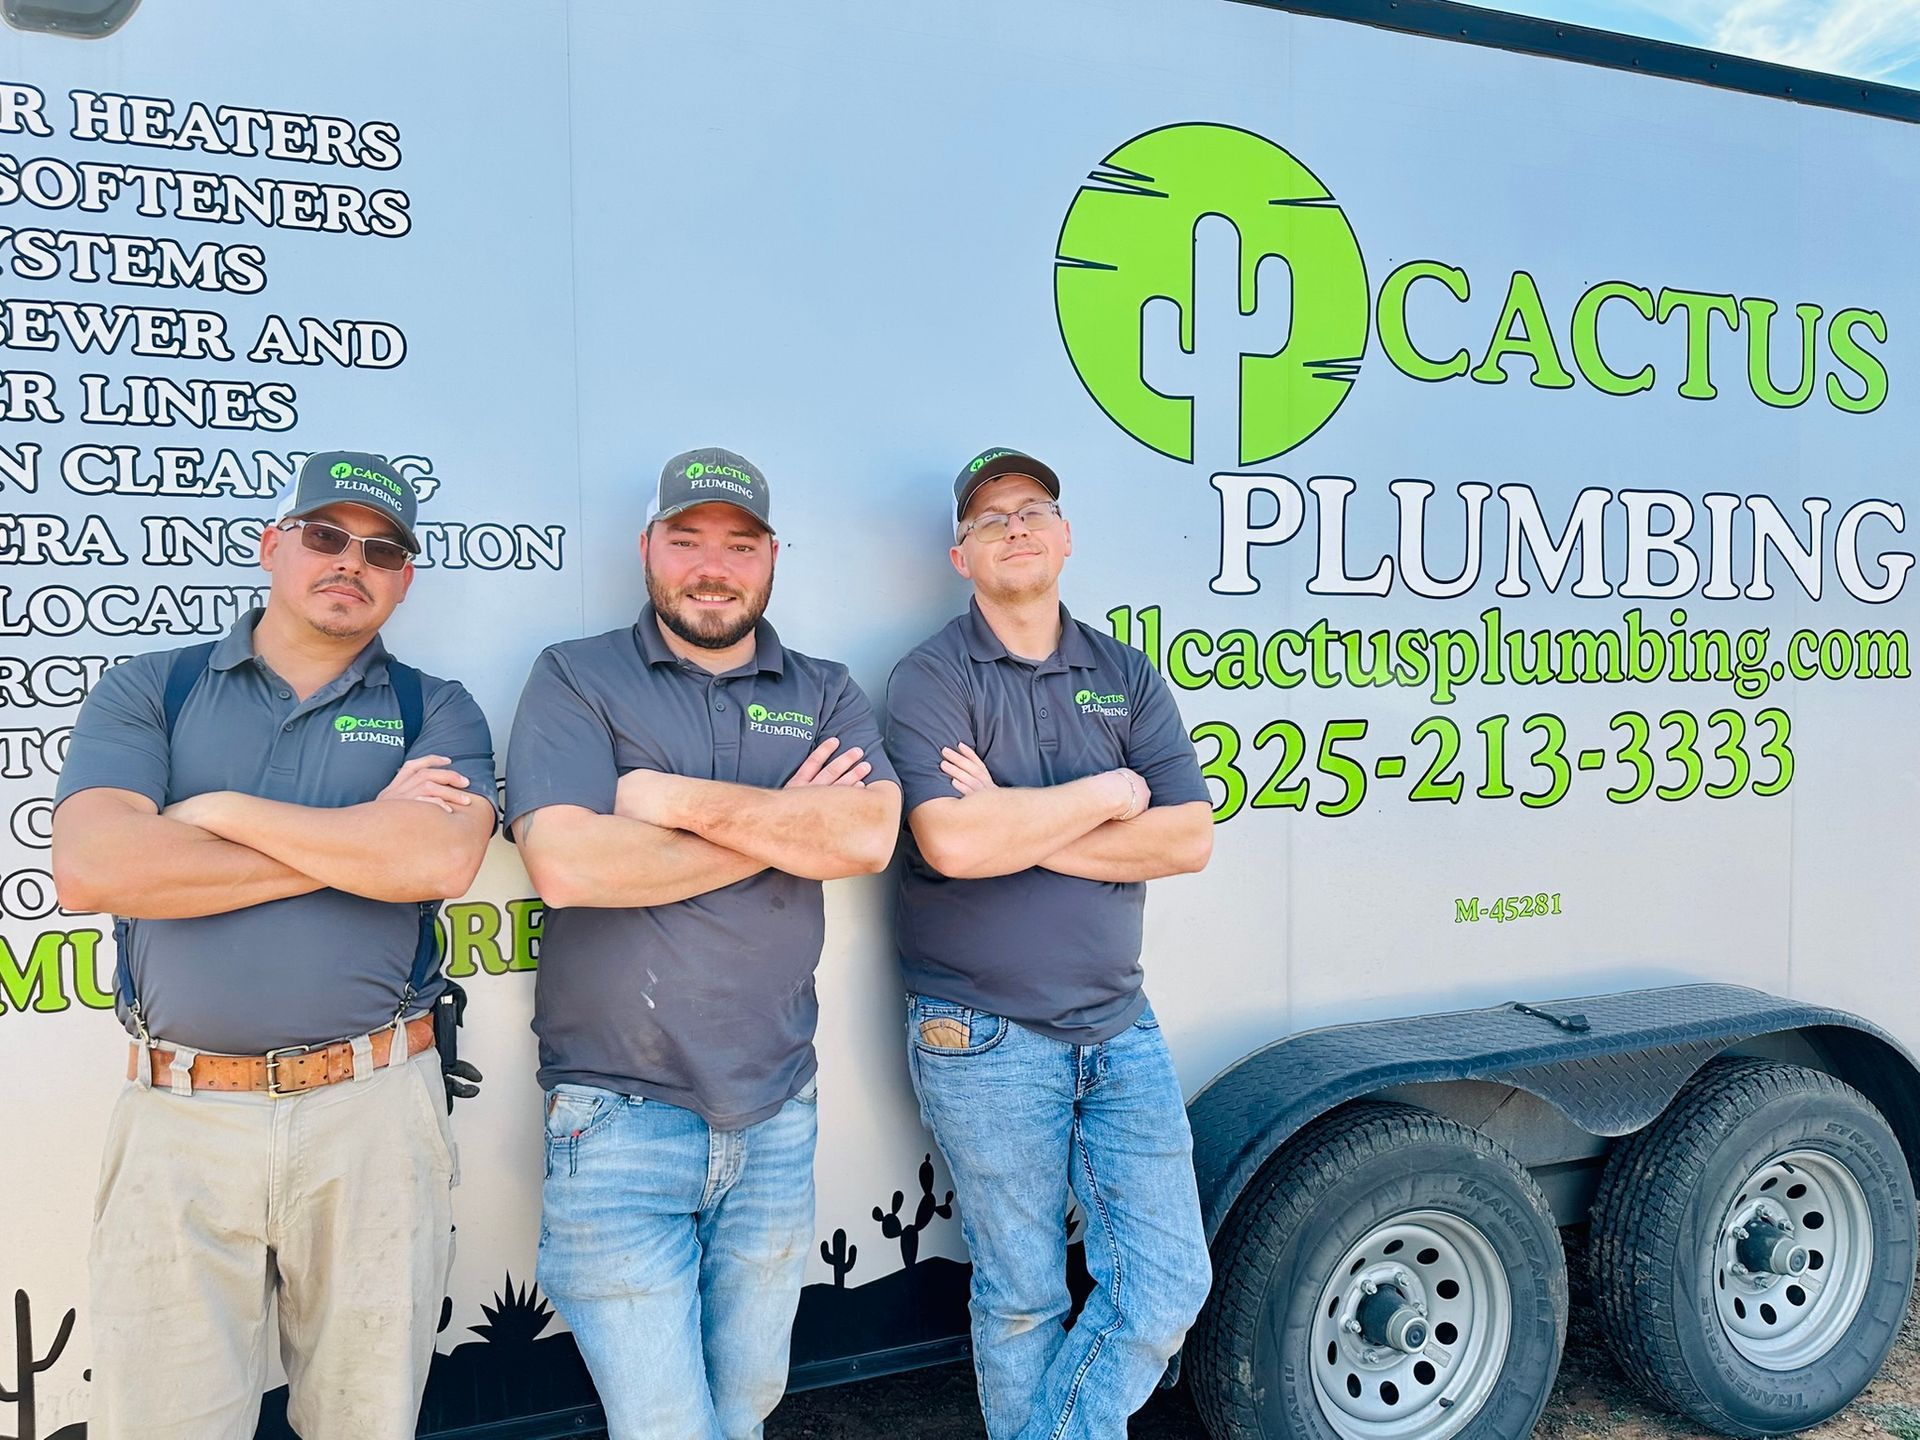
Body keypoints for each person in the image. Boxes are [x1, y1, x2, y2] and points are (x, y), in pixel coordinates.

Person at [50, 450, 498, 1440]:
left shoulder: (437, 709)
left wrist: (213, 813)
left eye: (382, 548)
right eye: (327, 535)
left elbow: (439, 859)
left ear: (406, 576)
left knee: (363, 1420)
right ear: (272, 545)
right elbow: (97, 868)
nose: (353, 561)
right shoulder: (151, 690)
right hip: (182, 1115)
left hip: (374, 1111)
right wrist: (357, 841)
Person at [506, 447, 901, 1440]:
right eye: (687, 541)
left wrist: (666, 801)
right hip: (616, 1116)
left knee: (748, 1405)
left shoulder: (821, 687)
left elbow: (864, 834)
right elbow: (569, 864)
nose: (712, 567)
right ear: (648, 550)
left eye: (740, 544)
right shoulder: (576, 676)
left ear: (772, 560)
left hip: (774, 1112)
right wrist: (780, 827)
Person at [883, 447, 1216, 1439]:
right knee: (1023, 1291)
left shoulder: (1124, 673)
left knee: (1166, 1282)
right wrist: (1111, 798)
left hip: (1120, 1024)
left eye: (1033, 510)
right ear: (961, 555)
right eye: (990, 519)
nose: (1015, 527)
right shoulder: (931, 677)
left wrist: (1020, 822)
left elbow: (1188, 837)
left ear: (1065, 537)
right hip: (979, 1033)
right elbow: (951, 839)